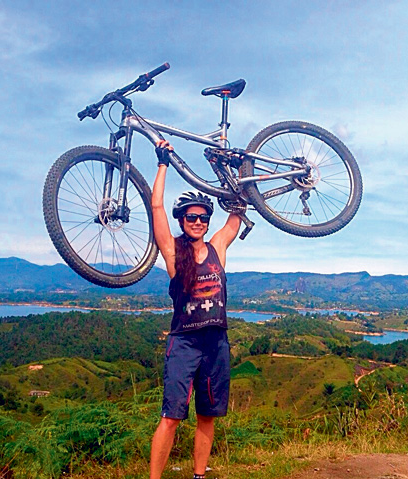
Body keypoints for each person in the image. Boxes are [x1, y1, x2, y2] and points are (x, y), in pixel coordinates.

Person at [149, 140, 242, 479]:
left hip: (216, 342)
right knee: (172, 415)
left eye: (203, 217)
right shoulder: (173, 252)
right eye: (192, 217)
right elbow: (156, 209)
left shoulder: (218, 247)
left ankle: (199, 475)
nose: (198, 222)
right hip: (185, 342)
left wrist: (236, 172)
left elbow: (238, 213)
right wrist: (162, 164)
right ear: (183, 219)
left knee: (208, 414)